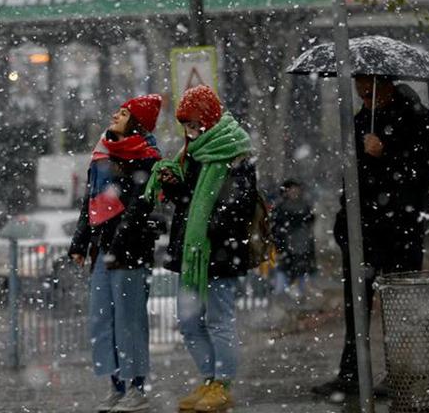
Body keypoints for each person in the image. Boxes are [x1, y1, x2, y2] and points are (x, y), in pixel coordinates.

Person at [312, 76, 429, 399]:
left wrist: (385, 153)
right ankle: (352, 373)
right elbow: (352, 176)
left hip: (401, 228)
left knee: (399, 307)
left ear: (386, 85)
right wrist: (344, 224)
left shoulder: (421, 119)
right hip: (362, 229)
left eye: (369, 91)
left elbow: (424, 172)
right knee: (356, 304)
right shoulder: (360, 120)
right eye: (359, 91)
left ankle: (401, 372)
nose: (364, 97)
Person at [144, 85, 257, 413]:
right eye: (186, 126)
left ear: (208, 119)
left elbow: (239, 205)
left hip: (219, 252)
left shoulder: (235, 152)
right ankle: (209, 379)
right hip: (192, 252)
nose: (190, 132)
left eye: (194, 124)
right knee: (189, 320)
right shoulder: (193, 153)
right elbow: (187, 202)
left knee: (220, 319)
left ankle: (223, 383)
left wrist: (210, 227)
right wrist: (173, 185)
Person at [68, 94, 162, 413]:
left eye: (123, 113)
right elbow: (90, 201)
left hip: (130, 251)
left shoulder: (146, 156)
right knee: (101, 320)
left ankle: (137, 388)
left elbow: (141, 204)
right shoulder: (102, 152)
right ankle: (116, 386)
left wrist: (121, 235)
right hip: (102, 250)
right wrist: (81, 242)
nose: (115, 116)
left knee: (129, 321)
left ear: (136, 122)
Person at [271, 179, 316, 299]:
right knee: (283, 281)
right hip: (287, 248)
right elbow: (276, 229)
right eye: (291, 189)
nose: (294, 192)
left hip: (301, 248)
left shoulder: (304, 206)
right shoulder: (281, 207)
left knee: (300, 281)